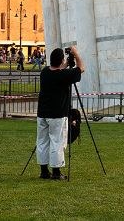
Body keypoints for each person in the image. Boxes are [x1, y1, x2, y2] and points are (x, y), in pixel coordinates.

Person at [36, 46, 85, 180]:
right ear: (61, 60)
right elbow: (81, 69)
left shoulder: (45, 72)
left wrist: (67, 63)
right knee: (57, 142)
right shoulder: (64, 75)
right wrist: (76, 53)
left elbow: (58, 69)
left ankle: (44, 171)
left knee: (42, 142)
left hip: (42, 114)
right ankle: (56, 172)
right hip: (57, 115)